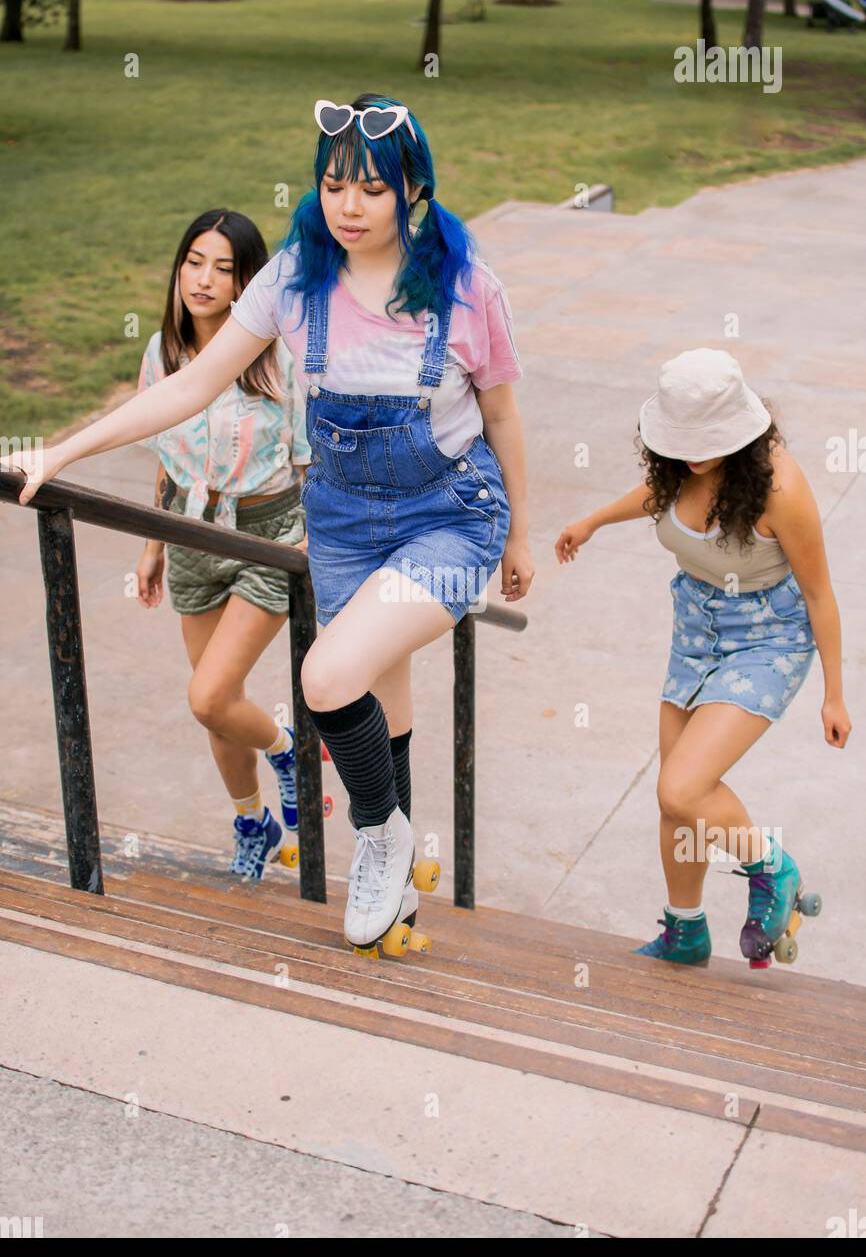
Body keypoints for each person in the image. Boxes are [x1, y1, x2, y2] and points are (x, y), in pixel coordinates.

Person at [4, 95, 534, 959]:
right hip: (344, 522)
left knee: (325, 678)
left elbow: (504, 418)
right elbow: (187, 385)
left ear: (413, 190)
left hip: (452, 517)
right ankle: (395, 887)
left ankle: (377, 837)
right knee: (379, 697)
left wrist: (519, 536)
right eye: (333, 186)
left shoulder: (469, 289)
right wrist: (60, 453)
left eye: (370, 189)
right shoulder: (292, 277)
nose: (348, 207)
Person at [555, 349, 851, 969]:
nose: (691, 453)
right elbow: (655, 495)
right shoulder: (678, 468)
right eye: (680, 439)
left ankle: (772, 867)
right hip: (696, 633)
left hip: (769, 639)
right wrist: (594, 521)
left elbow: (821, 595)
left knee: (684, 785)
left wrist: (834, 692)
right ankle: (685, 930)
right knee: (676, 801)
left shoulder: (781, 488)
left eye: (704, 440)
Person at [131, 208, 311, 879]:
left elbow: (307, 461)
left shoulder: (276, 354)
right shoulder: (162, 353)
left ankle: (287, 748)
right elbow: (167, 455)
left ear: (244, 284)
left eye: (224, 268)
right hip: (190, 534)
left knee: (210, 695)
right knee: (217, 709)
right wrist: (153, 546)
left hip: (269, 536)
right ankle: (251, 822)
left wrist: (316, 548)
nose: (203, 279)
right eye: (194, 262)